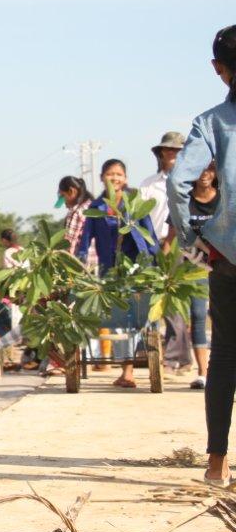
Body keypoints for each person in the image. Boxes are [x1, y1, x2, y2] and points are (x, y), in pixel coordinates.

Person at [167, 25, 236, 488]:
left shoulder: (211, 123)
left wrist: (194, 238)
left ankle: (216, 464)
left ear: (219, 69)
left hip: (228, 256)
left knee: (226, 356)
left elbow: (178, 183)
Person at [77, 158, 159, 388]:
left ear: (126, 179)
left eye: (119, 174)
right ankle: (127, 370)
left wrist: (155, 262)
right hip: (109, 271)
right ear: (103, 177)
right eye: (110, 174)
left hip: (136, 269)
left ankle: (129, 369)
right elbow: (84, 243)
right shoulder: (95, 208)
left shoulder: (136, 203)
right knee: (120, 321)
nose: (115, 178)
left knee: (137, 319)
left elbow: (149, 235)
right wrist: (78, 263)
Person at [166, 161, 218, 388]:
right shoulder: (183, 201)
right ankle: (203, 372)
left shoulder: (225, 199)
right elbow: (170, 238)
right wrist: (165, 268)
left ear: (216, 172)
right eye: (200, 169)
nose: (204, 174)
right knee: (198, 316)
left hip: (224, 265)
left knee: (223, 318)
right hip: (194, 267)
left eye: (210, 169)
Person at [141, 131, 185, 242]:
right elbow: (139, 218)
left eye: (176, 149)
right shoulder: (148, 184)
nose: (171, 152)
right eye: (167, 148)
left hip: (187, 246)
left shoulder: (195, 183)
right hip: (156, 245)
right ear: (161, 153)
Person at [57, 175, 98, 270]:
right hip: (98, 262)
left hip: (82, 264)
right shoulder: (92, 206)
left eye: (63, 196)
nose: (62, 201)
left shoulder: (76, 212)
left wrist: (63, 265)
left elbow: (69, 243)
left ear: (72, 191)